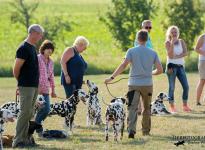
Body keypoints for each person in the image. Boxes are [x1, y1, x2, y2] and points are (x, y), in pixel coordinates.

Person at [105, 29, 163, 138]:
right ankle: (145, 131)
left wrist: (111, 77)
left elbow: (123, 65)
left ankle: (131, 130)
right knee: (147, 108)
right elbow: (160, 70)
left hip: (133, 84)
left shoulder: (131, 51)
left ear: (137, 39)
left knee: (132, 108)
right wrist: (150, 72)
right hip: (147, 84)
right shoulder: (153, 52)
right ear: (147, 39)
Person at [12, 24, 44, 148]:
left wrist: (37, 85)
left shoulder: (32, 47)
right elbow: (16, 69)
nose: (41, 37)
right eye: (40, 34)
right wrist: (20, 83)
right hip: (26, 85)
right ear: (33, 33)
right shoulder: (23, 48)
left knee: (30, 113)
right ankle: (18, 140)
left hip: (33, 85)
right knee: (25, 112)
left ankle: (27, 138)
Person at [165, 25, 191, 113]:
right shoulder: (167, 43)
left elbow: (185, 52)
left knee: (186, 86)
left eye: (175, 32)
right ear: (169, 33)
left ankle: (185, 105)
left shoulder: (181, 41)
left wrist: (177, 56)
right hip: (171, 66)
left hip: (180, 67)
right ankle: (172, 106)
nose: (174, 33)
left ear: (177, 33)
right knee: (172, 87)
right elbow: (170, 56)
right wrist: (172, 42)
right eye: (172, 32)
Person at [35, 40, 57, 137]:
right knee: (39, 110)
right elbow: (34, 73)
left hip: (46, 89)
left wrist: (53, 89)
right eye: (47, 48)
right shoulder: (38, 58)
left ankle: (35, 124)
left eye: (51, 49)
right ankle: (38, 129)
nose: (49, 51)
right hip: (36, 89)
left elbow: (51, 76)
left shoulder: (51, 62)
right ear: (43, 49)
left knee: (47, 109)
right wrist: (37, 86)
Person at [134, 20, 153, 115]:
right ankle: (139, 109)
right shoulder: (139, 38)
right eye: (147, 27)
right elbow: (137, 52)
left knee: (145, 88)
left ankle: (143, 108)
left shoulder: (149, 38)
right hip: (140, 66)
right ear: (142, 27)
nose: (149, 29)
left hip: (148, 66)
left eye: (150, 27)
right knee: (139, 87)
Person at [195, 33, 205, 105]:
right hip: (203, 61)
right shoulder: (202, 37)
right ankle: (197, 101)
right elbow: (196, 49)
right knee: (202, 80)